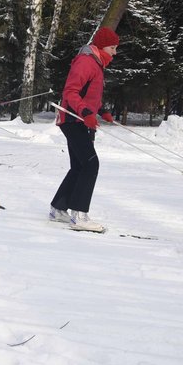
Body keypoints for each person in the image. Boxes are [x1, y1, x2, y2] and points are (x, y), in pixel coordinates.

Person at [49, 26, 119, 233]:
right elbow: (71, 92)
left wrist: (101, 110)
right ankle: (79, 215)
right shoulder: (86, 62)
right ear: (102, 46)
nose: (115, 52)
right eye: (113, 47)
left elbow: (90, 94)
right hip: (72, 119)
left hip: (80, 118)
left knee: (79, 166)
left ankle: (58, 208)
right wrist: (86, 113)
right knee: (90, 164)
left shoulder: (97, 64)